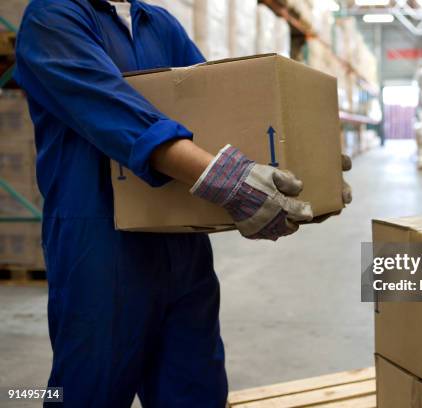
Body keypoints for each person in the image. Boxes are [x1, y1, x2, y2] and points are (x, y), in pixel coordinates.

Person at [14, 0, 352, 407]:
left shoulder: (158, 23)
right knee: (87, 391)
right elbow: (116, 114)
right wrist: (227, 181)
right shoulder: (53, 17)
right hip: (98, 244)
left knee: (196, 387)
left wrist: (306, 172)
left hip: (181, 240)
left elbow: (217, 108)